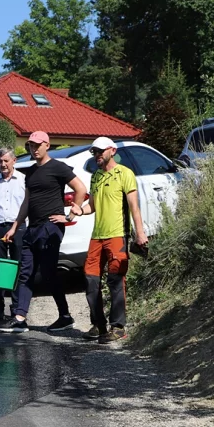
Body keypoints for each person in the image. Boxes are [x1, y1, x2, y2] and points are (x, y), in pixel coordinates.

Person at [0, 131, 86, 334]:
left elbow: (80, 188)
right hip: (32, 228)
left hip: (50, 227)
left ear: (47, 145)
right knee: (25, 272)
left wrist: (71, 215)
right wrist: (14, 226)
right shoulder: (30, 172)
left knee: (48, 273)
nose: (34, 149)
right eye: (31, 145)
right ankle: (20, 318)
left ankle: (64, 316)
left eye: (38, 145)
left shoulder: (58, 167)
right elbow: (26, 202)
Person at [77, 136, 148, 343]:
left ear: (112, 151)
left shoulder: (125, 174)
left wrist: (140, 233)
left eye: (100, 151)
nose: (97, 155)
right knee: (90, 279)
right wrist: (78, 211)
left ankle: (117, 327)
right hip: (97, 236)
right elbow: (92, 206)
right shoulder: (96, 176)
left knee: (116, 280)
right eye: (94, 152)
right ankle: (98, 325)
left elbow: (134, 206)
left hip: (117, 234)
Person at [0, 146, 26, 321]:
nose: (3, 164)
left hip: (18, 227)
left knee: (18, 269)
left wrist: (14, 226)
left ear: (14, 161)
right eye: (0, 161)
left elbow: (27, 206)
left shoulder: (24, 180)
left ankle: (17, 309)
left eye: (6, 161)